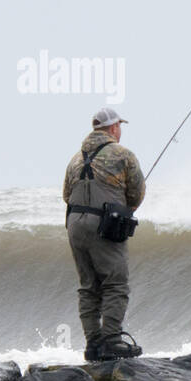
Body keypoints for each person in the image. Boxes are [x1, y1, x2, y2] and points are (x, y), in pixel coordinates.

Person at [63, 106, 147, 361]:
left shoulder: (75, 158)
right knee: (115, 283)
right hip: (103, 224)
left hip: (74, 224)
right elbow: (137, 193)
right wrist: (125, 209)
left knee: (88, 287)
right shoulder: (123, 155)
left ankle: (93, 345)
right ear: (113, 128)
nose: (120, 130)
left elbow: (66, 195)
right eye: (119, 126)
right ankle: (111, 341)